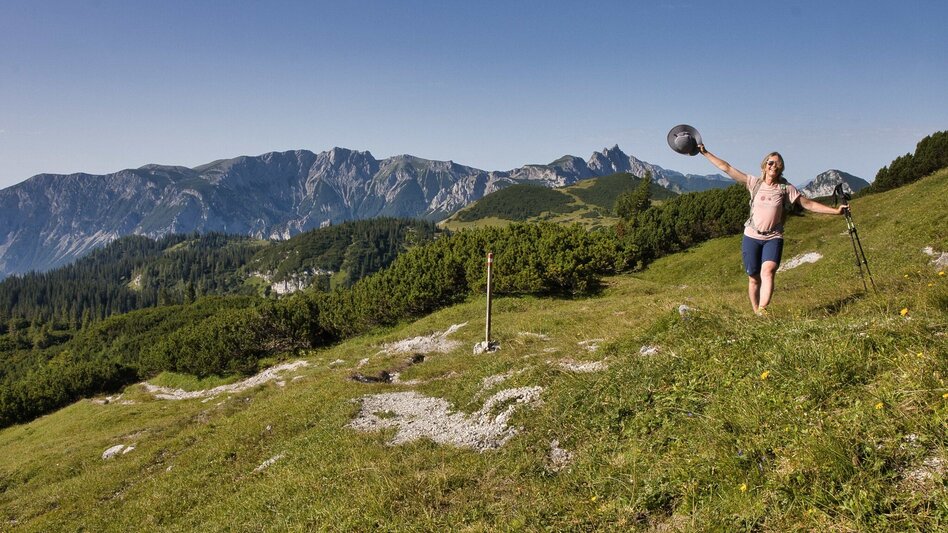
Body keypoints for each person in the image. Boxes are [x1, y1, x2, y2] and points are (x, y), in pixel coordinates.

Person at [697, 144, 847, 315]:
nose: (773, 166)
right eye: (770, 162)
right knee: (753, 278)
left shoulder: (785, 188)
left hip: (773, 237)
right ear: (764, 165)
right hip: (751, 236)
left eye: (777, 164)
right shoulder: (754, 183)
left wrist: (835, 212)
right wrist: (705, 153)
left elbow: (808, 204)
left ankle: (763, 308)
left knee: (767, 271)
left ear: (781, 168)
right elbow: (727, 168)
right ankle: (757, 313)